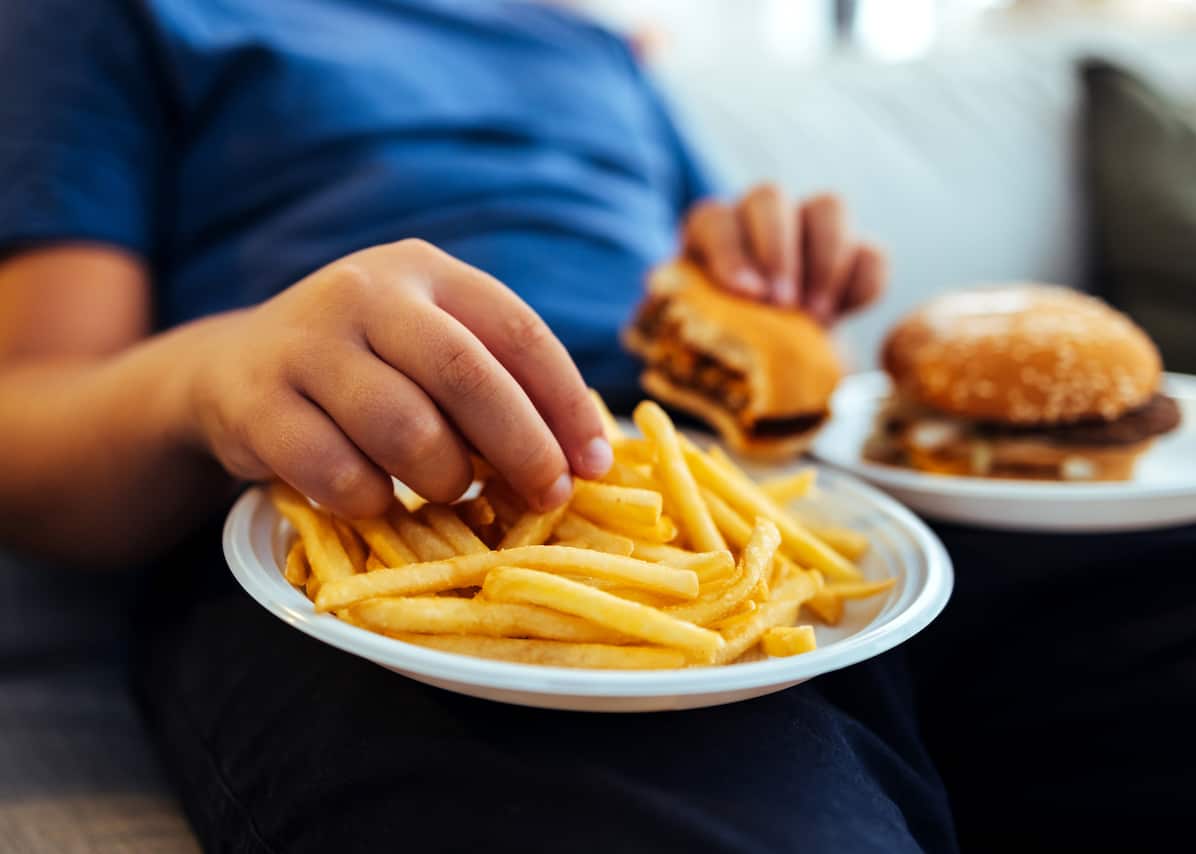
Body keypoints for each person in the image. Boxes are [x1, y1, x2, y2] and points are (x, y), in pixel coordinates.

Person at [0, 3, 954, 853]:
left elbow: (703, 284)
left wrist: (769, 286)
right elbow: (25, 423)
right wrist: (213, 369)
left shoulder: (594, 46)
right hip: (363, 521)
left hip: (762, 521)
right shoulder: (115, 17)